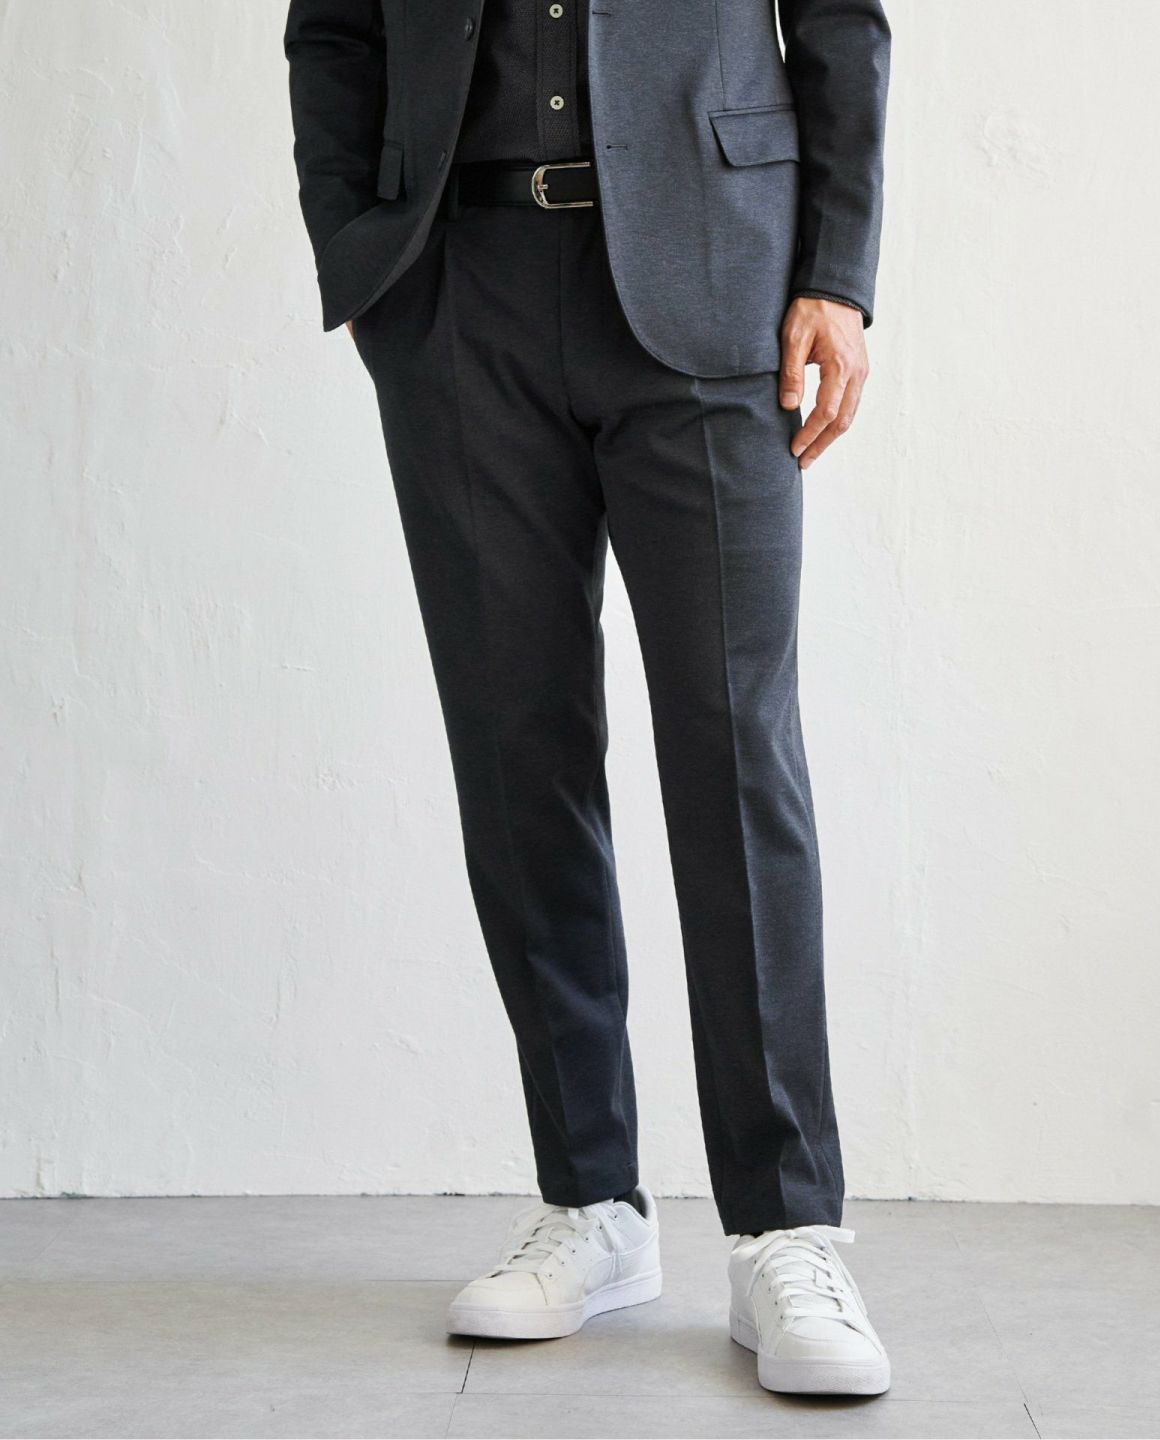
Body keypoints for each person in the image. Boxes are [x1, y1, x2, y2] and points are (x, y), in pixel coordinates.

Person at [284, 0, 891, 1397]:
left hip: (717, 279)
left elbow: (842, 24)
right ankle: (592, 1201)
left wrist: (838, 275)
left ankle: (788, 1226)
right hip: (459, 290)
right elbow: (333, 29)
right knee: (518, 747)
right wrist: (361, 250)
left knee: (735, 753)